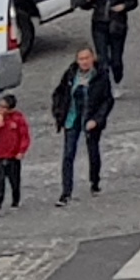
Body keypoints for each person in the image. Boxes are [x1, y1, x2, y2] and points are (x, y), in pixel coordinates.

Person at [48, 45, 111, 202]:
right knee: (68, 154)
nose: (84, 62)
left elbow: (107, 100)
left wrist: (97, 119)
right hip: (72, 117)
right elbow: (59, 93)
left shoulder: (101, 75)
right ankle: (66, 192)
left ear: (93, 58)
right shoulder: (70, 74)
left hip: (90, 118)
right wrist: (58, 113)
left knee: (93, 152)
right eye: (81, 59)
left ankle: (95, 182)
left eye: (87, 58)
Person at [83, 0, 133, 79]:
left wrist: (124, 6)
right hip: (99, 24)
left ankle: (117, 74)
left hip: (117, 25)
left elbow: (133, 1)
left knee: (116, 59)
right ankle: (105, 84)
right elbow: (87, 6)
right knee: (102, 59)